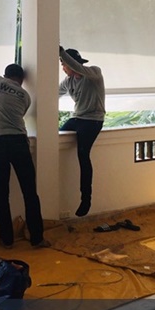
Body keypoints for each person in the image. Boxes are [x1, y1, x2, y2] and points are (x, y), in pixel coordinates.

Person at [0, 63, 49, 249]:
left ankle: (6, 240)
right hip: (19, 142)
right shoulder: (26, 96)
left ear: (6, 75)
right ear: (21, 80)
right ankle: (37, 238)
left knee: (1, 193)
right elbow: (20, 113)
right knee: (29, 192)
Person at [58, 46, 105, 217]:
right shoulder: (68, 81)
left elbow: (78, 67)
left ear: (72, 64)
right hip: (77, 119)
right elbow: (52, 94)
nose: (63, 68)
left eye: (64, 64)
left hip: (93, 120)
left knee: (83, 154)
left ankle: (86, 199)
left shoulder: (94, 73)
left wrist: (61, 52)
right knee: (56, 138)